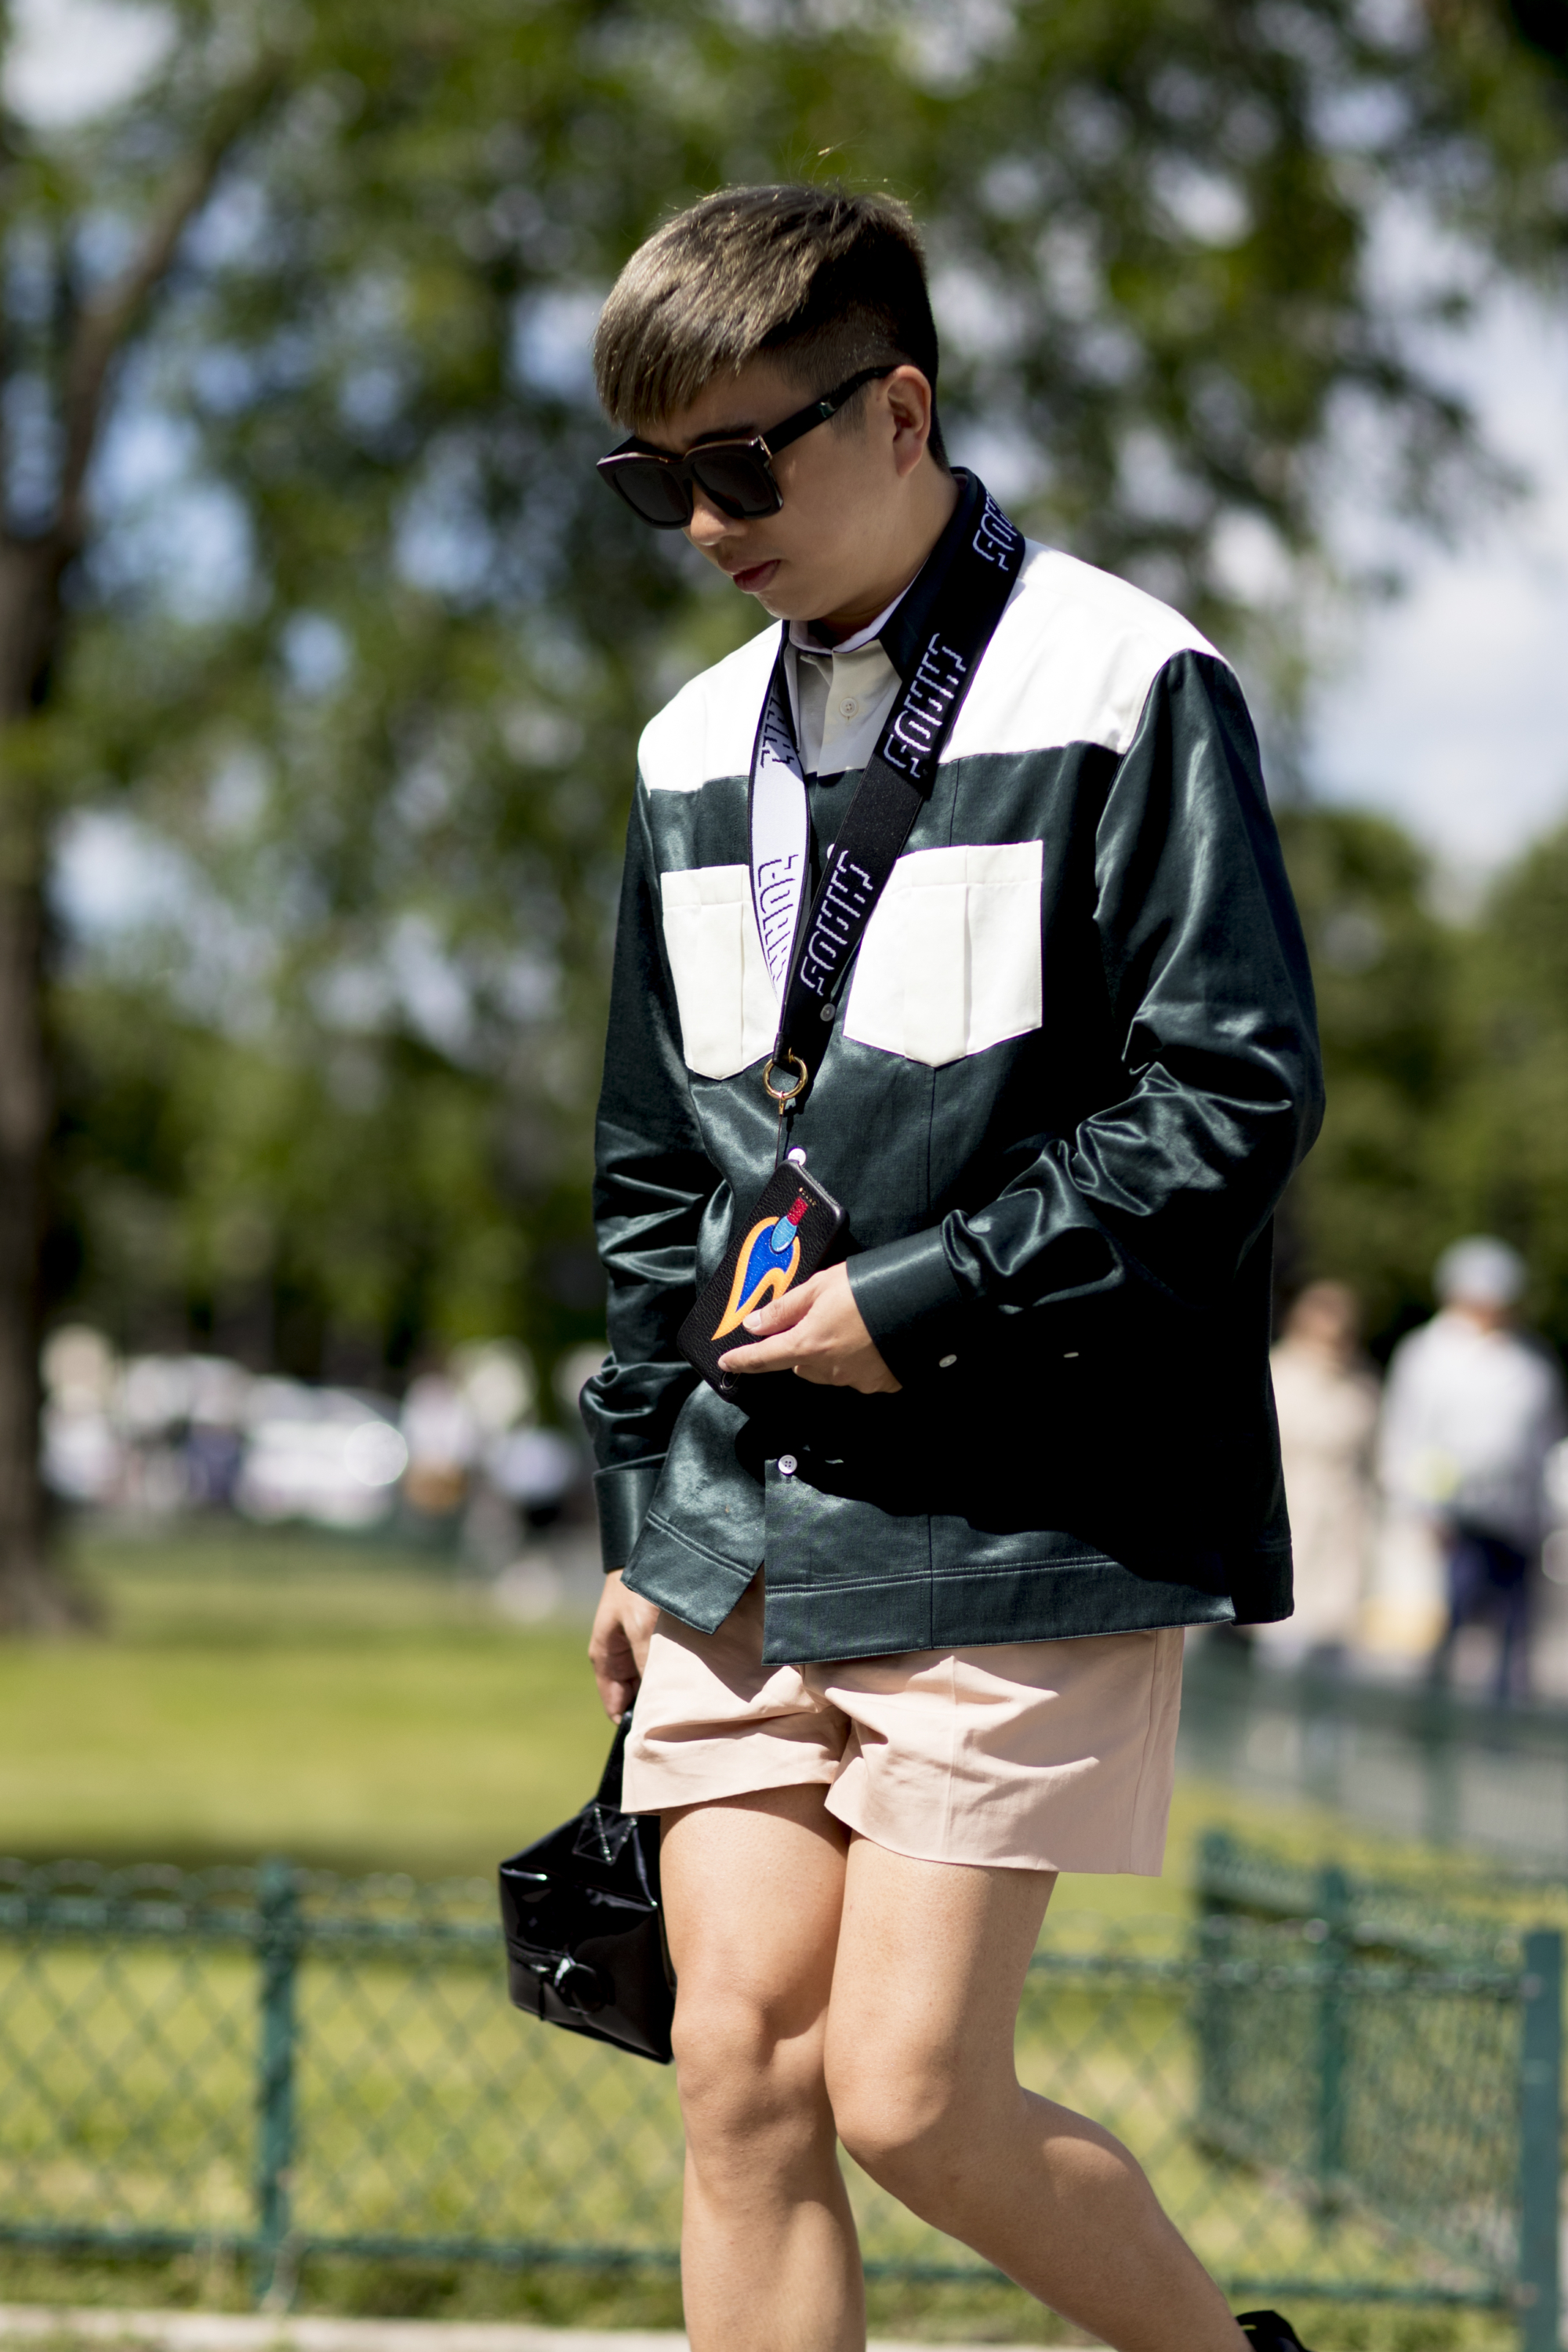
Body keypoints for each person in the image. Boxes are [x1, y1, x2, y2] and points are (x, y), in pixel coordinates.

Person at [579, 185, 1323, 2352]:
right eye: (651, 478)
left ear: (898, 413)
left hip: (1027, 1507)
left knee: (909, 2095)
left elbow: (1230, 1095)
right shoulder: (684, 749)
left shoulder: (1122, 678)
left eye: (742, 465)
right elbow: (652, 1174)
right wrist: (642, 1508)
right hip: (735, 1520)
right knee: (738, 2066)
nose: (701, 525)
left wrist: (925, 1300)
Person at [1380, 1236, 1566, 1702]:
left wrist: (1546, 1516)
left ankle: (1500, 1721)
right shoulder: (1426, 1355)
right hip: (1451, 1519)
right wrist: (1418, 1508)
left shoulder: (1532, 1363)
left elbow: (1544, 1442)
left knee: (1512, 1635)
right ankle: (1432, 1715)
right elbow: (1404, 1436)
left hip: (1514, 1518)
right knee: (1449, 1622)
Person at [1254, 1282, 1381, 1668]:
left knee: (1334, 1643)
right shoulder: (1276, 1374)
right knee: (1280, 1646)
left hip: (1344, 1525)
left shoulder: (1363, 1386)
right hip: (1286, 1520)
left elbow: (1374, 1461)